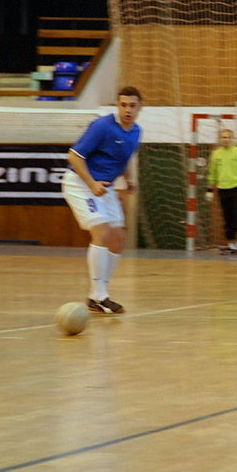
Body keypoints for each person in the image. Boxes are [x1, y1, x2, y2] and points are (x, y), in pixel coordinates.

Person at [62, 86, 143, 314]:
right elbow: (74, 157)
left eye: (132, 105)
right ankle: (99, 295)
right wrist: (91, 184)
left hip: (104, 187)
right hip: (81, 183)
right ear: (118, 105)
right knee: (102, 232)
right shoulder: (102, 126)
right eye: (123, 105)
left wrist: (127, 179)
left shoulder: (136, 131)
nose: (127, 109)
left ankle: (98, 294)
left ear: (139, 108)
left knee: (118, 236)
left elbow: (123, 157)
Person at [206, 128, 237, 254]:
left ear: (232, 139)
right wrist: (210, 189)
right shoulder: (216, 154)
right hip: (222, 188)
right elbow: (213, 173)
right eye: (223, 137)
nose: (226, 139)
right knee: (227, 217)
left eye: (228, 137)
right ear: (220, 139)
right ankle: (231, 245)